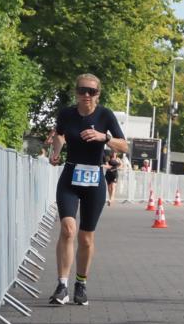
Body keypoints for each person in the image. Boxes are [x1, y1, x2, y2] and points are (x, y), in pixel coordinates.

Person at [48, 74, 128, 306]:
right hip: (70, 178)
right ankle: (62, 285)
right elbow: (60, 134)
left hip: (94, 181)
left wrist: (104, 137)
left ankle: (80, 284)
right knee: (67, 230)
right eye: (82, 90)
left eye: (91, 91)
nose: (86, 95)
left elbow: (124, 145)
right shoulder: (66, 114)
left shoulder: (105, 115)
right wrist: (56, 152)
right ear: (76, 92)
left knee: (85, 238)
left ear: (97, 94)